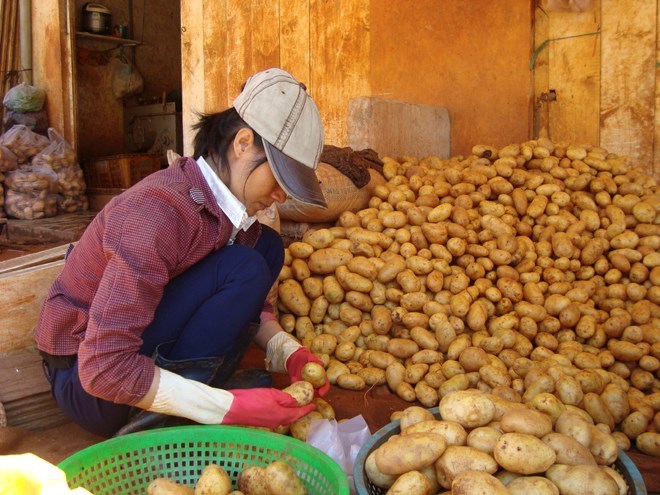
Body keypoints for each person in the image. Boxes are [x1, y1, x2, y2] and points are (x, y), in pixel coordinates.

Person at [34, 68, 330, 438]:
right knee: (245, 267)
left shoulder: (225, 214)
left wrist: (286, 350)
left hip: (120, 368)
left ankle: (193, 399)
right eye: (279, 178)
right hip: (87, 384)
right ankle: (178, 416)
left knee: (265, 248)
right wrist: (227, 409)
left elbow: (238, 301)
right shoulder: (157, 214)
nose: (281, 196)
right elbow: (103, 368)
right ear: (242, 143)